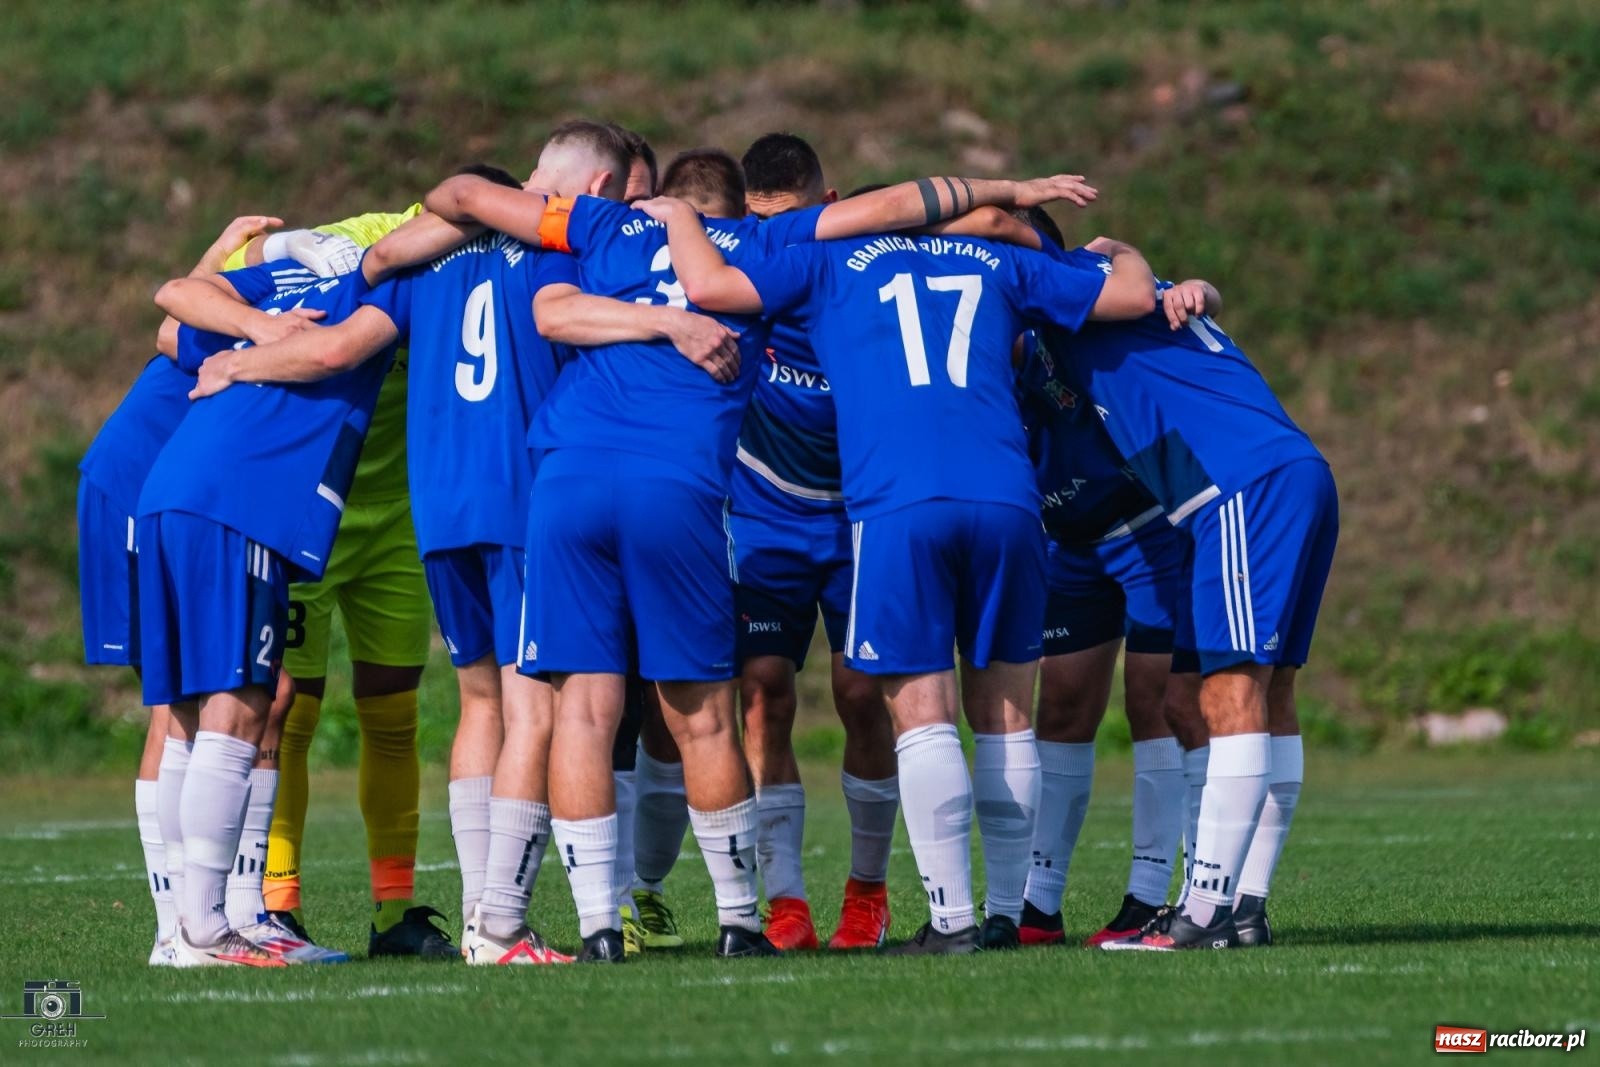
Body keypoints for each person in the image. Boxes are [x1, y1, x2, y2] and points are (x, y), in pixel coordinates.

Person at [421, 152, 1099, 960]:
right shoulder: (773, 249)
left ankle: (603, 924)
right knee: (719, 711)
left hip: (578, 481)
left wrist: (385, 251)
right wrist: (1007, 190)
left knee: (592, 711)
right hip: (705, 498)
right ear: (742, 209)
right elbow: (904, 206)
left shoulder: (605, 226)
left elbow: (491, 234)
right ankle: (747, 917)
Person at [190, 134, 740, 965]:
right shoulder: (555, 251)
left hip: (439, 505)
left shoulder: (424, 259)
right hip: (524, 495)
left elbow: (339, 344)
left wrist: (244, 363)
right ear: (593, 186)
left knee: (481, 702)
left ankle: (484, 912)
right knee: (535, 709)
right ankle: (499, 922)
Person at [640, 185, 1156, 953]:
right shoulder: (998, 260)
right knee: (1008, 714)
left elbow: (711, 285)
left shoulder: (828, 259)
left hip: (898, 501)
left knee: (922, 715)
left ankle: (949, 920)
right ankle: (1006, 916)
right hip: (1008, 499)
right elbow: (1133, 297)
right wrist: (1121, 249)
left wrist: (681, 215)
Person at [140, 208, 471, 965]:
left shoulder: (324, 278)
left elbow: (184, 300)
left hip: (224, 496)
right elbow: (187, 317)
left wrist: (249, 341)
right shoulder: (374, 269)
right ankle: (229, 920)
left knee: (216, 713)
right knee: (252, 706)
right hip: (260, 500)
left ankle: (195, 929)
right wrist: (260, 332)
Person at [1020, 248, 1336, 951]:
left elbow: (1110, 261)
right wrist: (1190, 284)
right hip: (1285, 474)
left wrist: (1117, 253)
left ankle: (1203, 910)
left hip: (1238, 485)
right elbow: (1174, 292)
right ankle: (1243, 908)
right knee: (1229, 694)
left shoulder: (1081, 296)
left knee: (1230, 695)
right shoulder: (1109, 307)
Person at [76, 214, 299, 965]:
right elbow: (172, 326)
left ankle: (214, 918)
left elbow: (175, 313)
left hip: (154, 487)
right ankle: (185, 926)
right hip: (146, 487)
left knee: (229, 700)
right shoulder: (273, 301)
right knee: (193, 704)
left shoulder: (248, 297)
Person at [720, 133, 899, 951]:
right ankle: (785, 897)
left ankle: (868, 888)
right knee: (762, 690)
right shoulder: (738, 279)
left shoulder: (867, 271)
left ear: (827, 209)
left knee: (866, 693)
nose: (771, 241)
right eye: (758, 225)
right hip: (765, 519)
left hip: (860, 516)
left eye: (786, 222)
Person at [1009, 211, 1192, 947]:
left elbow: (1167, 299)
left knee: (1158, 704)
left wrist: (1175, 278)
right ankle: (1038, 904)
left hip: (1153, 523)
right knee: (1063, 708)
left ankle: (1149, 895)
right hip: (1073, 541)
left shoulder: (1087, 291)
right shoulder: (981, 308)